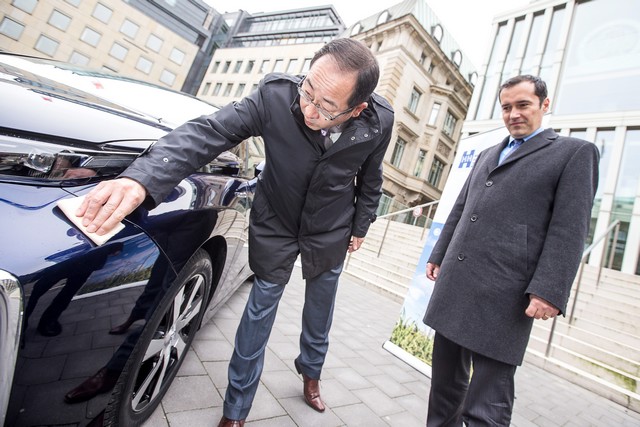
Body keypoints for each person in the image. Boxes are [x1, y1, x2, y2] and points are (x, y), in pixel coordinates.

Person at [75, 38, 394, 427]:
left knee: (319, 311)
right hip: (276, 222)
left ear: (357, 108)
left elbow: (371, 179)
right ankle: (236, 410)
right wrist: (142, 178)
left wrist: (361, 226)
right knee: (258, 313)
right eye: (307, 92)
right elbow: (209, 131)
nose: (308, 108)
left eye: (326, 107)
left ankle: (311, 373)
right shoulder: (275, 97)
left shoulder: (380, 121)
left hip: (330, 229)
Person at [423, 75, 599, 426]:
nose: (513, 114)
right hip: (456, 283)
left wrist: (549, 290)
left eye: (523, 105)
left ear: (544, 105)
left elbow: (570, 228)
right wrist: (438, 254)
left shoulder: (574, 153)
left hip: (505, 295)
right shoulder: (488, 153)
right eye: (506, 107)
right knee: (444, 391)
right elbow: (461, 207)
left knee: (486, 406)